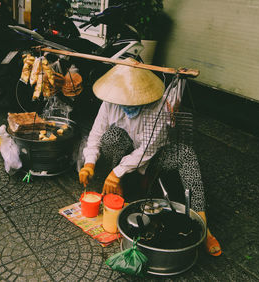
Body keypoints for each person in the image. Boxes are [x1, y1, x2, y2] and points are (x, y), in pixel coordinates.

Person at [78, 59, 222, 256]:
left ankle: (204, 227)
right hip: (124, 151)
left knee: (187, 155)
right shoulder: (110, 102)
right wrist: (89, 164)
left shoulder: (159, 106)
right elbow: (96, 135)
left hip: (154, 155)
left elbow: (148, 149)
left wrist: (115, 173)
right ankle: (119, 191)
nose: (126, 103)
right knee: (112, 136)